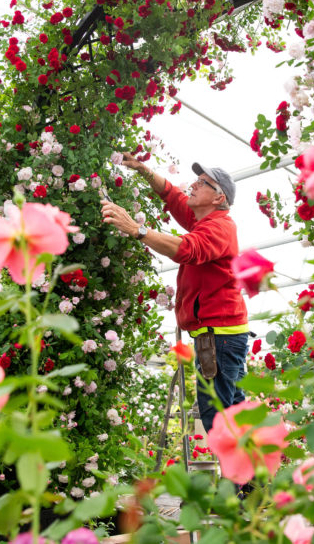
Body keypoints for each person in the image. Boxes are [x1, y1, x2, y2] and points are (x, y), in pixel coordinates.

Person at [101, 153, 249, 432]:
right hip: (223, 338)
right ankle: (249, 475)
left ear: (219, 198)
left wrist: (136, 229)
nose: (193, 185)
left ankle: (237, 476)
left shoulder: (219, 227)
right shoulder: (202, 220)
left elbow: (186, 250)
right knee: (232, 414)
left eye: (202, 183)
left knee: (217, 417)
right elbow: (172, 195)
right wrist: (144, 170)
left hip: (220, 339)